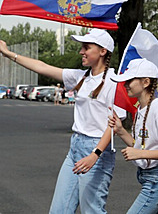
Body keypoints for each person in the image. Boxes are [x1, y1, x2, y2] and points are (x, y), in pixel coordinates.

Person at [0, 28, 124, 213]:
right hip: (75, 147)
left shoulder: (116, 81)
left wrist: (95, 154)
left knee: (93, 210)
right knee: (59, 210)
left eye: (86, 47)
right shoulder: (80, 76)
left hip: (97, 150)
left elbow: (113, 125)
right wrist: (9, 54)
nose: (81, 51)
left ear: (102, 51)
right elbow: (42, 67)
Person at [108, 59, 158, 214]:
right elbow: (141, 144)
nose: (125, 85)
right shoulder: (141, 110)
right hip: (152, 178)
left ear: (145, 82)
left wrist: (140, 154)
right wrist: (121, 130)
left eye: (130, 80)